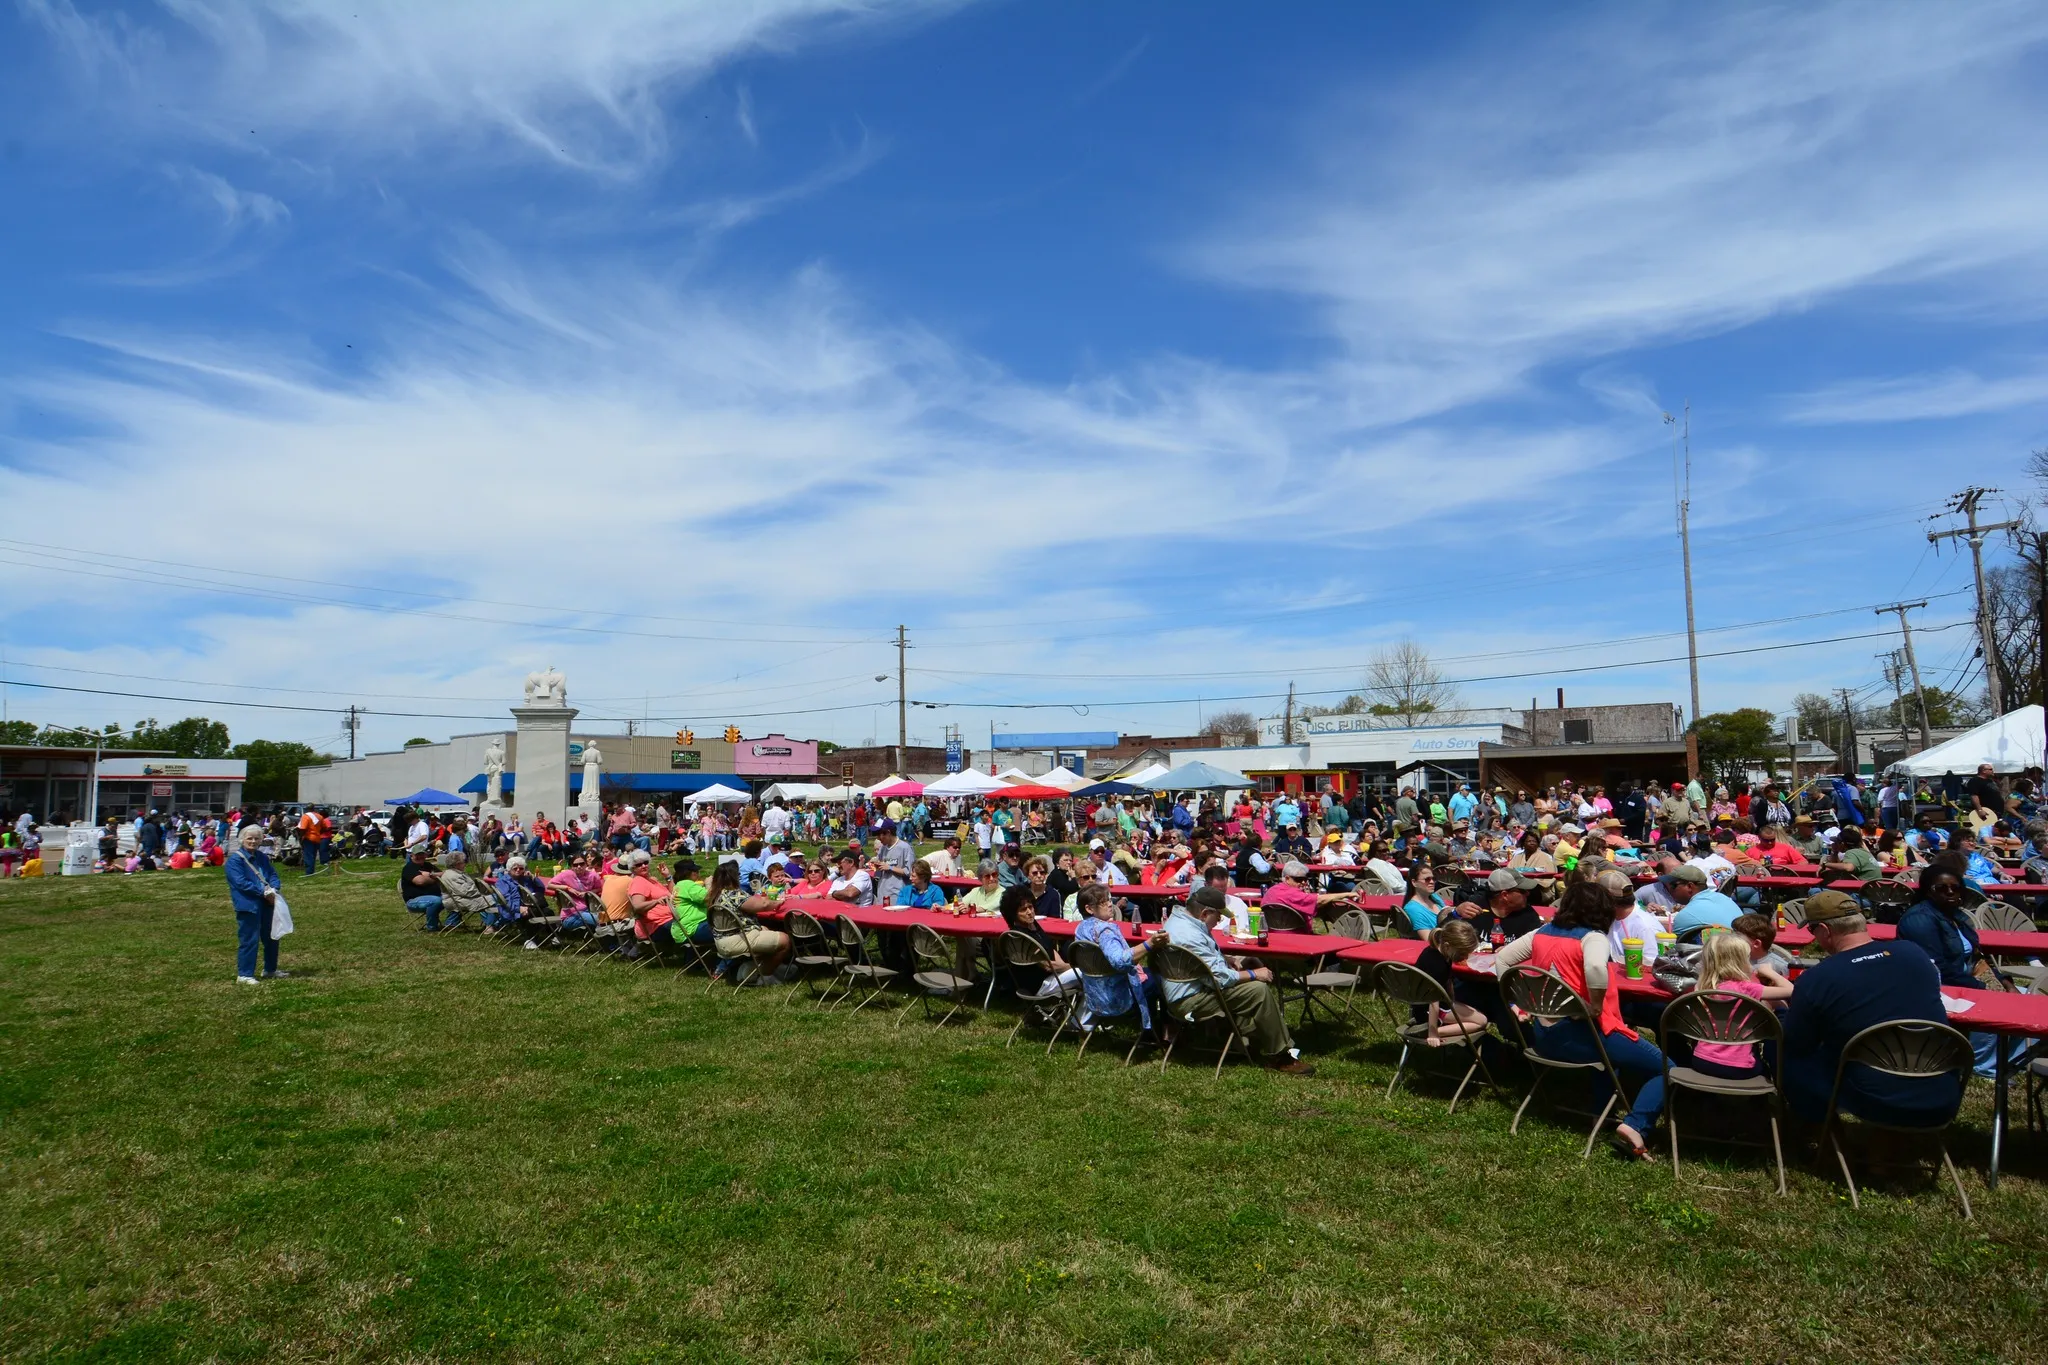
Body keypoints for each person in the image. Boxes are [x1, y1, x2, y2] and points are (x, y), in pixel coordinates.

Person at [1494, 879, 1667, 1159]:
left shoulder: (1541, 933)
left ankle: (1600, 1114)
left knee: (1610, 1062)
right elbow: (1596, 967)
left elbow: (1502, 960)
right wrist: (1596, 1005)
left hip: (1545, 1036)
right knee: (1665, 1068)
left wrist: (1515, 1002)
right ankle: (1636, 1125)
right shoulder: (1593, 938)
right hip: (1582, 1037)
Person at [1780, 890, 1963, 1126]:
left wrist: (1783, 1013)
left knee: (1781, 1049)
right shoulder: (1915, 954)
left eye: (1812, 930)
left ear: (1824, 930)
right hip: (1942, 1094)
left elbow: (1797, 1042)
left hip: (1872, 1098)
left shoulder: (1818, 977)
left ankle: (1816, 1130)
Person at [1157, 887, 1313, 1075]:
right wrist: (1255, 974)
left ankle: (1248, 1038)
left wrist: (1227, 960)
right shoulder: (1192, 935)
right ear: (1205, 913)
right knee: (1257, 990)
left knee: (1246, 970)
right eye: (1218, 916)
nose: (1220, 920)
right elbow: (1220, 978)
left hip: (1181, 995)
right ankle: (1281, 1056)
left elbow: (1201, 962)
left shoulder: (1178, 922)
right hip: (1191, 1001)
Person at [1894, 865, 2000, 1075]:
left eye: (1956, 887)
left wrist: (2003, 981)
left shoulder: (1956, 917)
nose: (1950, 892)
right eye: (1942, 888)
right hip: (1939, 987)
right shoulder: (1919, 919)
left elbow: (1977, 957)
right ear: (1928, 890)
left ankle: (2007, 1060)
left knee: (2027, 999)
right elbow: (1937, 970)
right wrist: (1983, 987)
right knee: (1996, 1007)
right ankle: (1979, 1064)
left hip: (1965, 980)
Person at [1682, 932, 1793, 1079]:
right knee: (1780, 1012)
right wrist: (1770, 972)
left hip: (1701, 1060)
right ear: (1740, 962)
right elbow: (1790, 990)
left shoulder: (1701, 987)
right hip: (1740, 1066)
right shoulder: (1746, 988)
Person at [1073, 883, 1156, 1034]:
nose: (1110, 904)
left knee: (1151, 972)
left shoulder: (1081, 928)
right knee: (1159, 977)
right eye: (1103, 902)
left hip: (1095, 993)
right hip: (1118, 995)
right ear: (1089, 909)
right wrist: (1149, 944)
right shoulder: (1104, 931)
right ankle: (1154, 1032)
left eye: (1109, 899)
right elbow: (1119, 961)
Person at [708, 859, 790, 981]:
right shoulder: (735, 894)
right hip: (737, 940)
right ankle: (765, 976)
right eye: (739, 875)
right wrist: (778, 902)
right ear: (733, 877)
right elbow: (762, 905)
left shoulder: (714, 894)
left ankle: (758, 968)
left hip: (721, 940)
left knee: (766, 929)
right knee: (785, 940)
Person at [1412, 919, 1491, 1045]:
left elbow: (1447, 982)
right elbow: (1433, 1002)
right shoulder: (1438, 965)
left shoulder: (1434, 951)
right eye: (1462, 953)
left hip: (1421, 1004)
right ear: (1448, 946)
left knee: (1477, 1011)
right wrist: (1433, 1033)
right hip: (1428, 1010)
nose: (1465, 957)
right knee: (1481, 1021)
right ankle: (1434, 1030)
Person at [225, 824, 285, 984]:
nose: (253, 841)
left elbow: (272, 874)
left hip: (268, 902)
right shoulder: (235, 860)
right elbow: (241, 883)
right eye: (249, 838)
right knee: (249, 939)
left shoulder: (261, 857)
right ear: (242, 839)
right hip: (248, 904)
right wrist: (264, 892)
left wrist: (274, 888)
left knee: (272, 937)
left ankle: (270, 969)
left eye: (256, 838)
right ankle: (244, 974)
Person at [1667, 864, 1740, 935]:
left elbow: (1674, 943)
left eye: (1673, 885)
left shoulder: (1685, 915)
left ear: (1689, 886)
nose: (1669, 889)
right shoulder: (1725, 898)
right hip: (1742, 944)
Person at [400, 846, 446, 931]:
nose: (420, 857)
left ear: (425, 855)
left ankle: (451, 923)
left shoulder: (428, 865)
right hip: (414, 901)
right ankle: (432, 927)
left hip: (434, 896)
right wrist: (435, 879)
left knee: (454, 898)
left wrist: (430, 875)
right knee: (437, 901)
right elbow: (420, 881)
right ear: (412, 856)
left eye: (422, 854)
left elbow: (444, 874)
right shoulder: (409, 868)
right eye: (417, 855)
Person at [873, 821, 916, 903]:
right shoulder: (882, 848)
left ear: (888, 833)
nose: (877, 838)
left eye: (879, 834)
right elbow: (881, 865)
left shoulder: (905, 848)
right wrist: (877, 865)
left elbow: (910, 872)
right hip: (883, 892)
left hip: (897, 894)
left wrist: (890, 867)